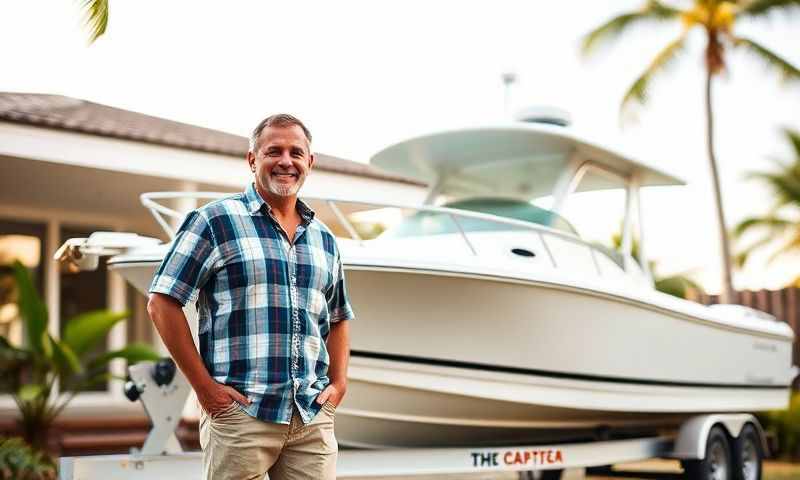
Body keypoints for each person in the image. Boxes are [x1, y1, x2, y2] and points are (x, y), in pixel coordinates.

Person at [147, 114, 354, 480]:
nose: (286, 161)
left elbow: (338, 317)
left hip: (310, 417)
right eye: (274, 151)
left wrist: (338, 386)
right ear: (252, 159)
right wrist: (206, 391)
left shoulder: (324, 239)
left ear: (310, 162)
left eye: (296, 152)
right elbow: (162, 302)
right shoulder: (214, 221)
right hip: (241, 416)